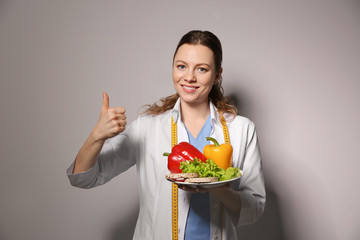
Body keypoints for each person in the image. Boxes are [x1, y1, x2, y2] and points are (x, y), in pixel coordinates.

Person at [67, 30, 266, 240]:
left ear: (217, 75)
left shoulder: (242, 130)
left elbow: (255, 208)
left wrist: (217, 188)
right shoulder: (147, 128)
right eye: (181, 66)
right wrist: (96, 136)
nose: (189, 77)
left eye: (202, 69)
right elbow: (83, 177)